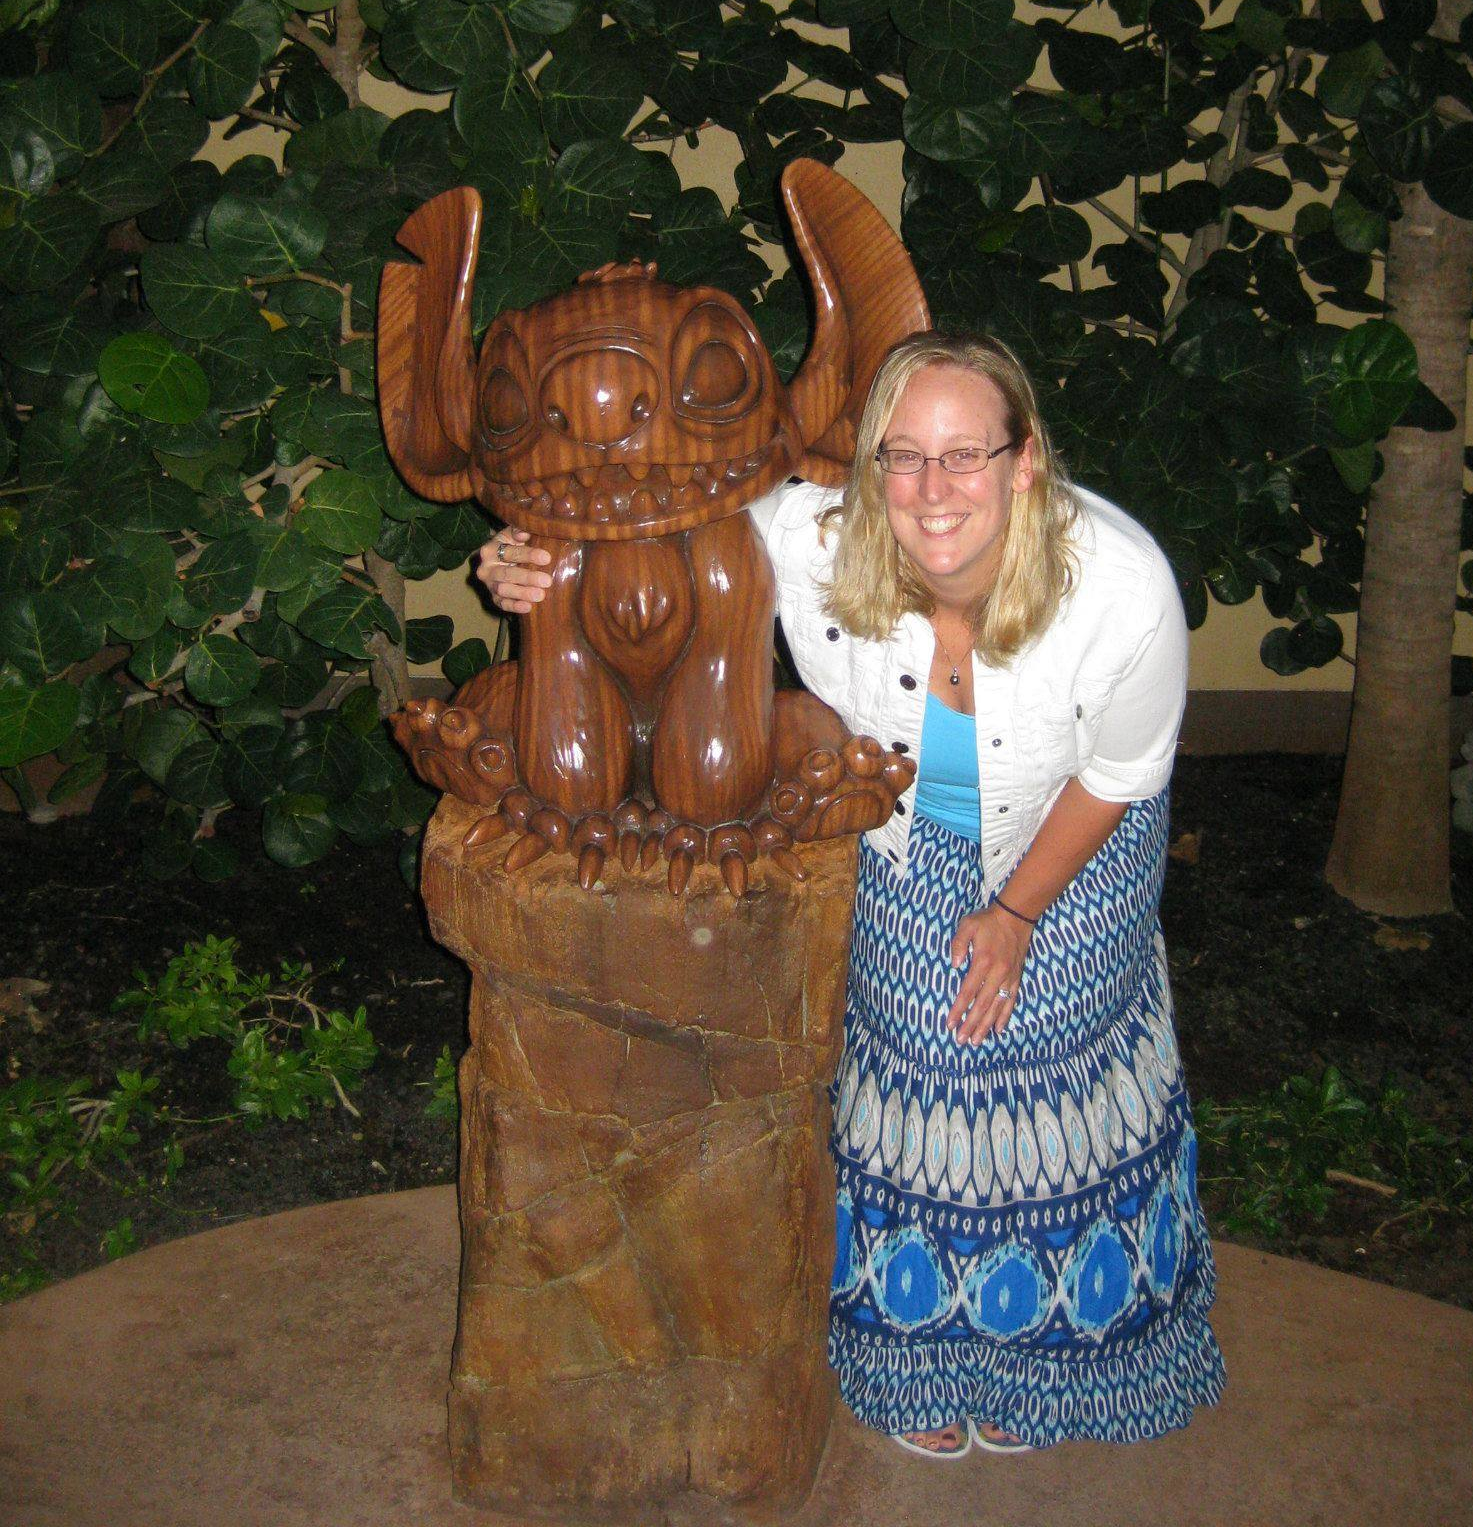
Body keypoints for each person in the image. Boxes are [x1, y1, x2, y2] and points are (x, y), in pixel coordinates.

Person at [477, 331, 1226, 1458]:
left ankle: (1060, 1356)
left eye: (966, 455)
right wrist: (523, 558)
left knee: (1052, 1055)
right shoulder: (808, 535)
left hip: (1075, 831)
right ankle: (916, 1348)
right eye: (902, 455)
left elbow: (1120, 773)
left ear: (1024, 462)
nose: (933, 488)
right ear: (869, 464)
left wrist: (1017, 915)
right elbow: (637, 504)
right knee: (919, 1047)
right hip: (909, 827)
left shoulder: (1122, 586)